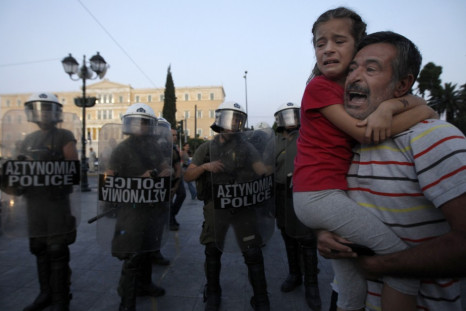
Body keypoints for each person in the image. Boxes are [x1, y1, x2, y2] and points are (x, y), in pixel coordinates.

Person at [292, 7, 438, 311]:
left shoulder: (352, 89)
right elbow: (364, 133)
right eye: (320, 43)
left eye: (339, 41)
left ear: (358, 46)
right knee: (401, 272)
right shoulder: (319, 87)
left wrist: (390, 108)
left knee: (349, 283)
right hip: (319, 195)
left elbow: (408, 97)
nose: (328, 49)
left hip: (323, 195)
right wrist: (422, 112)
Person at [318, 30, 466, 311]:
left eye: (371, 69)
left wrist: (383, 265)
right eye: (352, 68)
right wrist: (325, 237)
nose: (354, 77)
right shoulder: (342, 141)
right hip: (346, 298)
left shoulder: (435, 138)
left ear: (402, 85)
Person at [184, 101, 272, 311]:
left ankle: (261, 298)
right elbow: (188, 175)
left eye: (238, 119)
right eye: (230, 119)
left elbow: (261, 170)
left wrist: (271, 166)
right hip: (217, 206)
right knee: (213, 251)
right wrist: (206, 166)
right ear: (220, 121)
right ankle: (213, 293)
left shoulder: (247, 147)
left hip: (243, 206)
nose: (234, 123)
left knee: (252, 252)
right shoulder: (207, 148)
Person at [106, 103, 172, 311]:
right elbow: (109, 179)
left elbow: (165, 167)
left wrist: (165, 172)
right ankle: (126, 301)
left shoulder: (153, 147)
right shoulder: (122, 149)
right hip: (131, 210)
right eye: (137, 122)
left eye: (145, 123)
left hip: (152, 207)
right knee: (133, 256)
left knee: (147, 250)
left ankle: (144, 285)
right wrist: (137, 179)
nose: (141, 127)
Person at [16, 93, 79, 311]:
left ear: (56, 113)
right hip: (34, 203)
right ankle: (46, 294)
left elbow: (73, 168)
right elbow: (17, 169)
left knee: (56, 249)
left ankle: (61, 299)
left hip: (56, 203)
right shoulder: (28, 139)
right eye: (39, 109)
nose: (43, 113)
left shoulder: (64, 135)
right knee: (39, 248)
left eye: (47, 109)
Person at [273, 102, 321, 310]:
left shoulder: (309, 134)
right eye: (286, 115)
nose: (291, 119)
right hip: (280, 193)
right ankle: (295, 275)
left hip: (302, 192)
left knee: (307, 239)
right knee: (286, 235)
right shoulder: (273, 140)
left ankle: (312, 285)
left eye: (294, 114)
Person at [169, 128, 186, 231]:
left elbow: (178, 166)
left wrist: (176, 183)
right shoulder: (162, 147)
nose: (175, 137)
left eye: (176, 135)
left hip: (176, 177)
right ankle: (171, 220)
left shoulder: (174, 148)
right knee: (169, 200)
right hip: (168, 178)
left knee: (182, 194)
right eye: (172, 135)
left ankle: (171, 216)